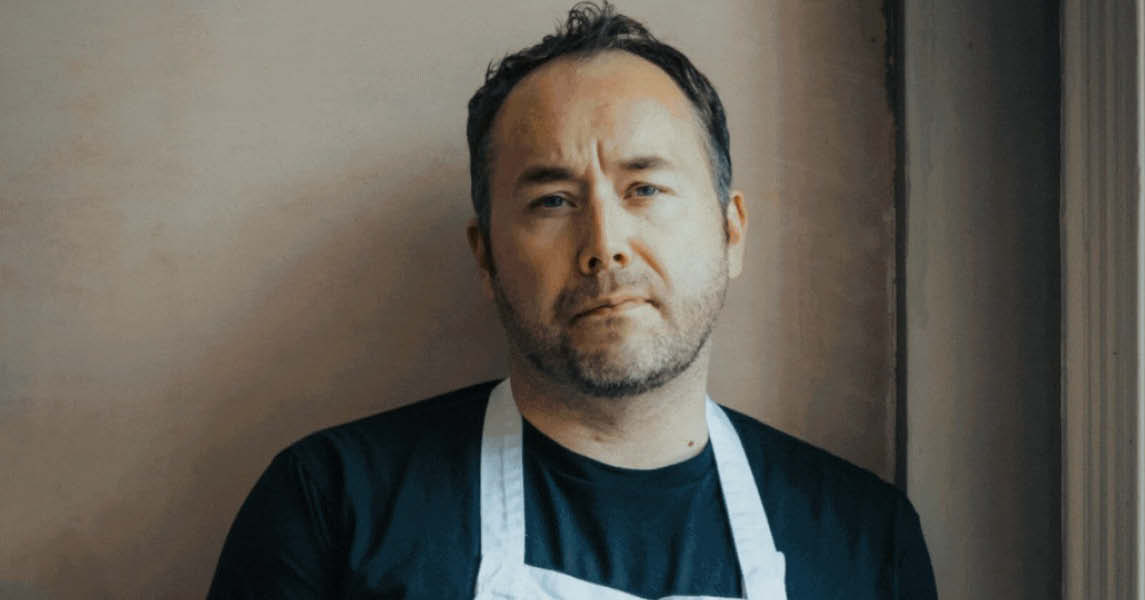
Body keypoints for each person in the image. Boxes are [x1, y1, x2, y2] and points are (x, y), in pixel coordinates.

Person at [207, 2, 937, 598]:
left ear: (731, 231)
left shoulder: (867, 539)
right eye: (553, 200)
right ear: (486, 257)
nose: (604, 245)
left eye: (644, 188)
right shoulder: (330, 505)